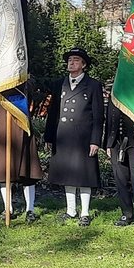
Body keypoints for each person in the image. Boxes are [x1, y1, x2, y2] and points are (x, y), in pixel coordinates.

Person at [44, 47, 105, 227]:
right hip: (63, 136)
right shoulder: (59, 84)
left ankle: (85, 212)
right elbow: (53, 112)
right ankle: (71, 210)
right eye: (70, 60)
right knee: (67, 175)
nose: (71, 63)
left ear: (84, 65)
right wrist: (49, 137)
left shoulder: (93, 85)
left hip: (83, 138)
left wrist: (95, 140)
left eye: (76, 60)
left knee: (84, 176)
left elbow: (98, 116)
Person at [0, 99, 44, 222]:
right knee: (3, 173)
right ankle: (8, 209)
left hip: (21, 131)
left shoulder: (20, 92)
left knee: (27, 172)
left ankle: (30, 210)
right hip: (0, 135)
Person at [106, 95, 134, 229]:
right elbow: (109, 119)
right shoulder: (116, 92)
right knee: (120, 179)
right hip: (116, 142)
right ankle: (127, 214)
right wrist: (108, 143)